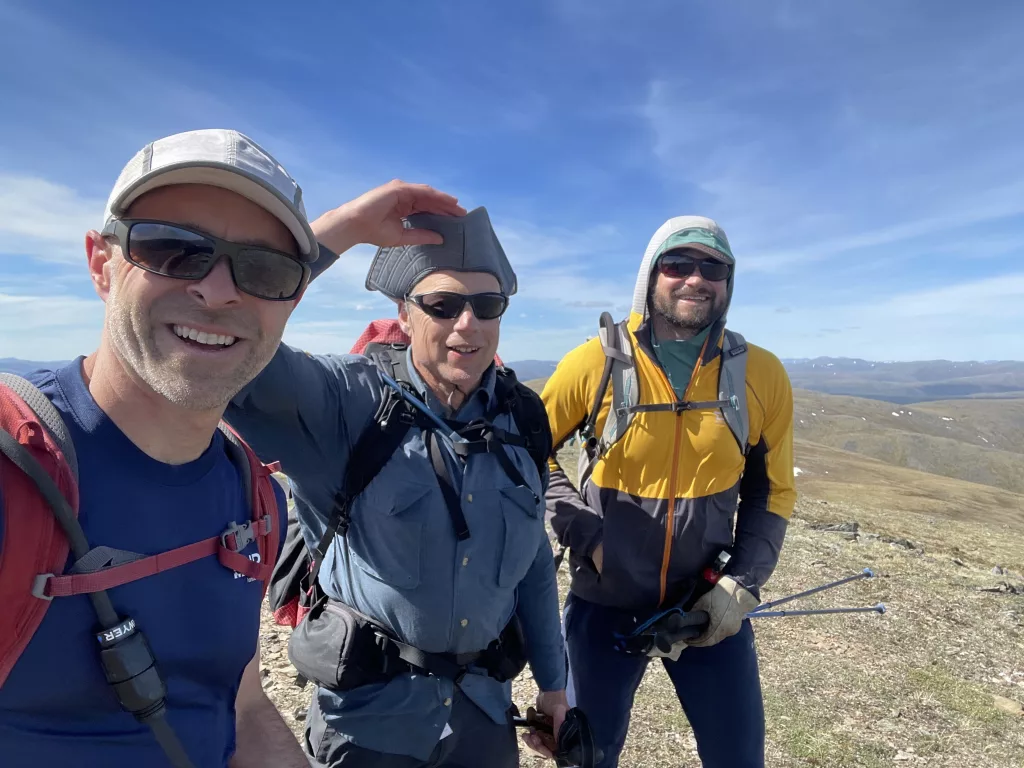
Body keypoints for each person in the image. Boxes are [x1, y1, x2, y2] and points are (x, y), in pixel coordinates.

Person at [0, 127, 466, 768]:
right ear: (102, 264)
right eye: (171, 251)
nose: (218, 291)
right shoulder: (17, 465)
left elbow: (240, 707)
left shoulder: (249, 496)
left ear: (292, 298)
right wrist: (342, 227)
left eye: (263, 269)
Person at [222, 206, 570, 768]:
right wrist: (345, 229)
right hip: (368, 724)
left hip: (482, 716)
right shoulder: (346, 403)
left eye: (487, 306)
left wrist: (554, 687)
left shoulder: (521, 420)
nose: (468, 324)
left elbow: (530, 565)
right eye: (442, 305)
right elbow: (232, 334)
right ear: (404, 315)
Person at [539, 216, 797, 768]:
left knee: (738, 757)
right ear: (650, 276)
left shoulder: (761, 374)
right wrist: (587, 535)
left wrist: (742, 583)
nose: (694, 279)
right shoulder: (596, 363)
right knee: (586, 757)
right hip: (602, 604)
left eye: (713, 268)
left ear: (729, 282)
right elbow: (526, 454)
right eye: (677, 264)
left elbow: (772, 492)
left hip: (705, 605)